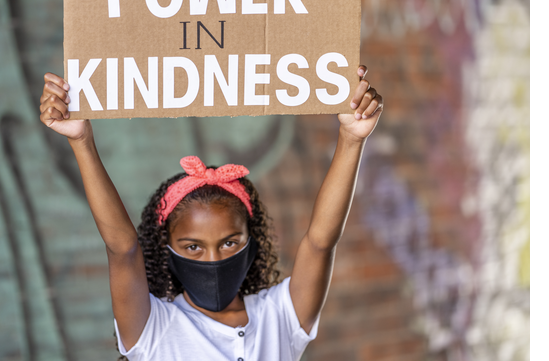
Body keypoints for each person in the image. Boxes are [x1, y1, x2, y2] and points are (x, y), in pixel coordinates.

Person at [39, 66, 383, 360]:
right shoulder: (154, 328)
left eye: (230, 243)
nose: (213, 259)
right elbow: (122, 247)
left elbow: (320, 241)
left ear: (252, 241)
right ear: (167, 250)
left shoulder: (280, 316)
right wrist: (81, 141)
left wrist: (351, 139)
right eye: (193, 247)